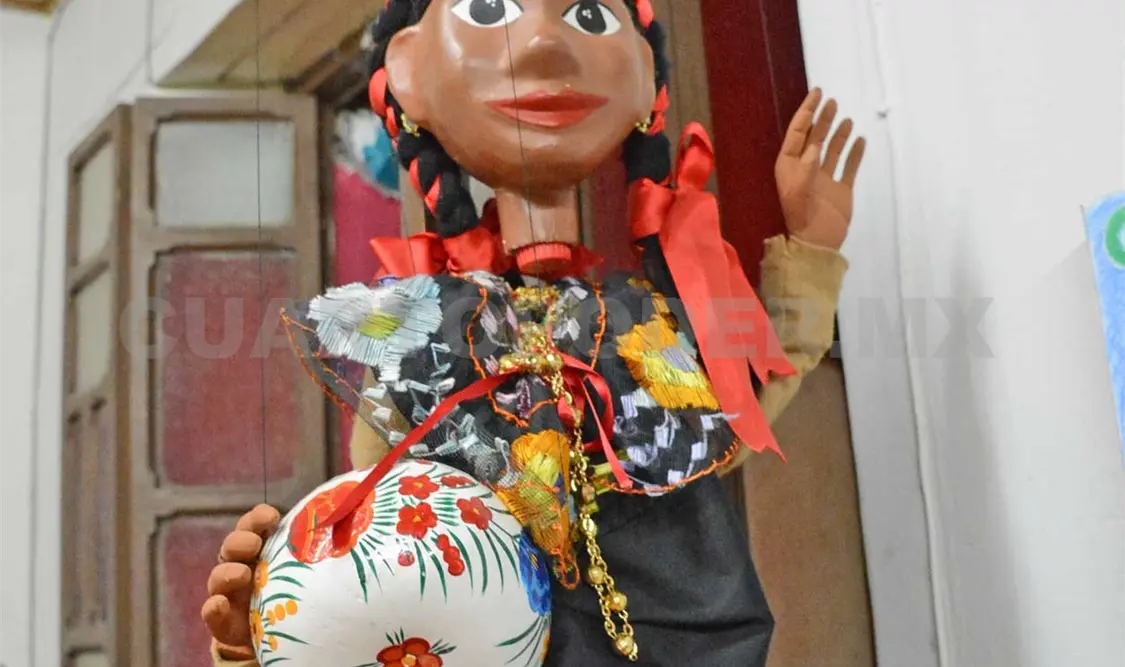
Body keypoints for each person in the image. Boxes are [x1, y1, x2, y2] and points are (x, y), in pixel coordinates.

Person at [202, 0, 865, 665]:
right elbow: (380, 559)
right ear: (405, 72)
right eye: (489, 9)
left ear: (644, 77)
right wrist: (285, 624)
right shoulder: (430, 342)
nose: (544, 42)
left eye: (588, 14)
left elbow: (743, 405)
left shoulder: (648, 317)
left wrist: (809, 252)